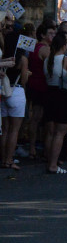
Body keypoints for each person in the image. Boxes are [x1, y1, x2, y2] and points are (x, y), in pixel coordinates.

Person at [41, 31, 67, 174]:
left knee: (51, 131)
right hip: (63, 95)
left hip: (50, 94)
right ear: (64, 45)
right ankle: (53, 164)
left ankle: (49, 160)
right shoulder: (66, 60)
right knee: (60, 132)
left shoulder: (47, 59)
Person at [0, 41, 29, 170]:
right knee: (14, 130)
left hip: (4, 91)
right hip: (16, 92)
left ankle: (3, 158)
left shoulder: (4, 57)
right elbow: (24, 80)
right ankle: (9, 159)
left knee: (5, 129)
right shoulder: (22, 59)